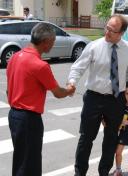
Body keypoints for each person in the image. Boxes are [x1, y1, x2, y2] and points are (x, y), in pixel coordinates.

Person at [67, 14, 128, 176]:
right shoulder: (94, 46)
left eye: (112, 30)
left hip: (116, 100)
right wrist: (72, 82)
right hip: (94, 98)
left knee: (111, 138)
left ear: (121, 33)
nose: (107, 32)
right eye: (107, 27)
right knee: (86, 138)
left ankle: (104, 171)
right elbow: (78, 67)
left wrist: (126, 91)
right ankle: (80, 172)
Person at [6, 23, 76, 176]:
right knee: (29, 163)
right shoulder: (40, 65)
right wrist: (70, 90)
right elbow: (58, 92)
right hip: (28, 119)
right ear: (46, 41)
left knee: (20, 159)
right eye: (53, 41)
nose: (53, 44)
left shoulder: (15, 57)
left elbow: (7, 90)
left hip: (14, 115)